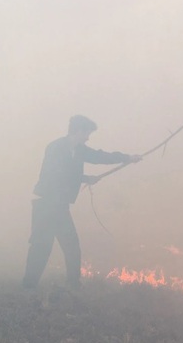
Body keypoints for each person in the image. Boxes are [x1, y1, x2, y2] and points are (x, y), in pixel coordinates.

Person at [21, 115, 141, 289]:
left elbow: (101, 156)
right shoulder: (55, 148)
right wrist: (85, 178)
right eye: (87, 133)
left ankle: (73, 284)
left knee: (72, 246)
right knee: (41, 246)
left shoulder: (80, 150)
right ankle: (29, 285)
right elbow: (58, 174)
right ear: (78, 131)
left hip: (60, 206)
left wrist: (127, 158)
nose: (88, 137)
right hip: (46, 205)